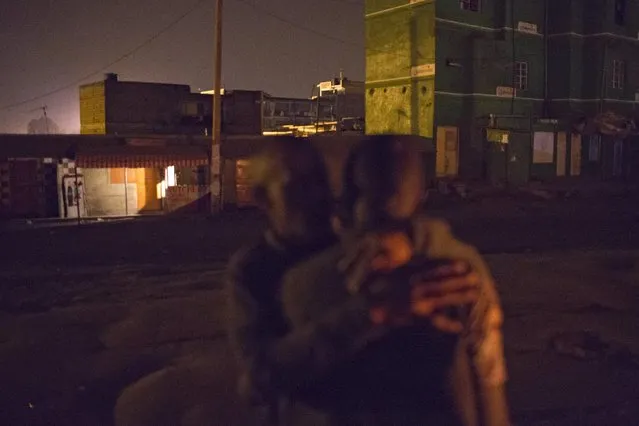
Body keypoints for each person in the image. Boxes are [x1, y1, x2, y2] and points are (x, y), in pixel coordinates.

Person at [225, 136, 482, 425]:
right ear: (262, 198)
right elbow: (260, 377)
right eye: (297, 186)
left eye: (320, 181)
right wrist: (369, 314)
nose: (316, 197)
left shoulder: (358, 246)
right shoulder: (255, 271)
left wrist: (405, 239)